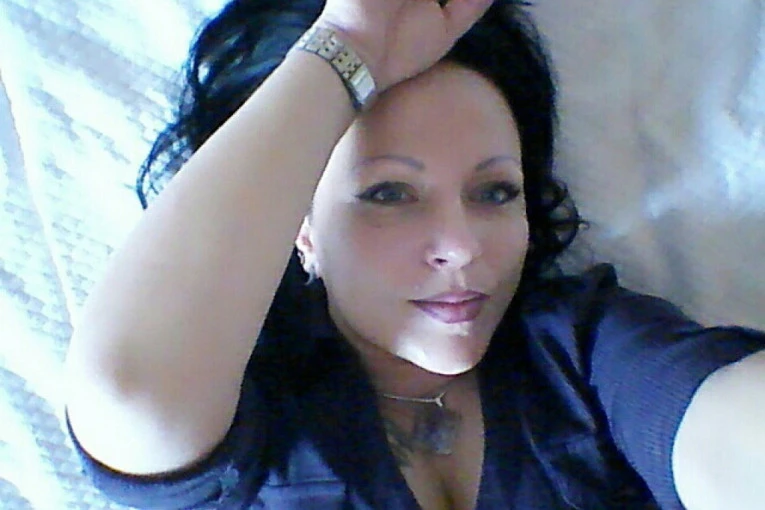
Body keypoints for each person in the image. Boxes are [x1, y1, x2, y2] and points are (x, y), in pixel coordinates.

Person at [64, 0, 765, 508]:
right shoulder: (251, 415)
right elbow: (131, 394)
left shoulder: (582, 352)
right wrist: (347, 47)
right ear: (300, 227)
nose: (461, 247)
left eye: (494, 192)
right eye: (389, 194)